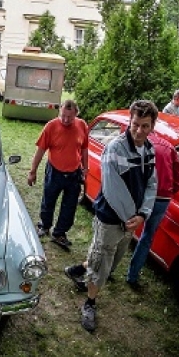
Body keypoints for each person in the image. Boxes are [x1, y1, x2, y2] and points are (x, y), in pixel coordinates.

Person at [64, 99, 158, 333]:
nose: (139, 130)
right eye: (135, 124)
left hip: (132, 220)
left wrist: (142, 215)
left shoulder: (149, 150)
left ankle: (79, 269)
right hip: (112, 218)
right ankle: (90, 303)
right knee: (102, 262)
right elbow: (112, 188)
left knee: (111, 260)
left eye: (145, 126)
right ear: (130, 121)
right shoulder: (115, 148)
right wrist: (131, 218)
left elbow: (151, 185)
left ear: (152, 126)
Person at [27, 100, 89, 250]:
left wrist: (85, 168)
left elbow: (85, 148)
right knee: (48, 200)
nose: (66, 120)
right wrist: (32, 171)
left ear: (76, 114)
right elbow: (40, 150)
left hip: (74, 173)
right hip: (54, 172)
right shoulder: (51, 126)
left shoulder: (82, 125)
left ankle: (59, 233)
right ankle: (44, 226)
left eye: (70, 117)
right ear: (60, 111)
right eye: (63, 116)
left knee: (70, 206)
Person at [125, 133, 179, 290]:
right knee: (147, 237)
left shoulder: (139, 143)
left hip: (142, 193)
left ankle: (108, 269)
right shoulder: (169, 147)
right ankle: (132, 276)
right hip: (162, 198)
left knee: (125, 229)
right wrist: (171, 190)